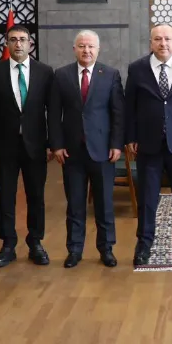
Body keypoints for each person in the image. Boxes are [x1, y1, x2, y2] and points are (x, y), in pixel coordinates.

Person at [124, 24, 172, 266]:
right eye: (158, 39)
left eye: (167, 39)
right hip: (148, 145)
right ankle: (143, 246)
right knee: (147, 200)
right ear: (151, 42)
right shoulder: (137, 68)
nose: (163, 43)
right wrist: (130, 137)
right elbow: (129, 107)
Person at [49, 30, 124, 268]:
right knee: (75, 204)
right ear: (74, 49)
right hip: (72, 152)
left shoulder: (110, 74)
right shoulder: (61, 75)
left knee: (104, 204)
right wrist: (56, 145)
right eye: (82, 46)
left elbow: (118, 113)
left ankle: (106, 249)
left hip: (103, 151)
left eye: (91, 46)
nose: (86, 50)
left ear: (98, 49)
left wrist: (116, 144)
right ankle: (74, 250)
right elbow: (54, 113)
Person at [0, 24, 54, 268]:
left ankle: (35, 242)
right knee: (6, 197)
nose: (18, 44)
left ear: (30, 44)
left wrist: (52, 144)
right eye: (13, 39)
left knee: (36, 196)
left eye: (23, 39)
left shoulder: (45, 72)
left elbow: (52, 111)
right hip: (5, 146)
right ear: (7, 43)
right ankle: (8, 245)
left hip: (36, 146)